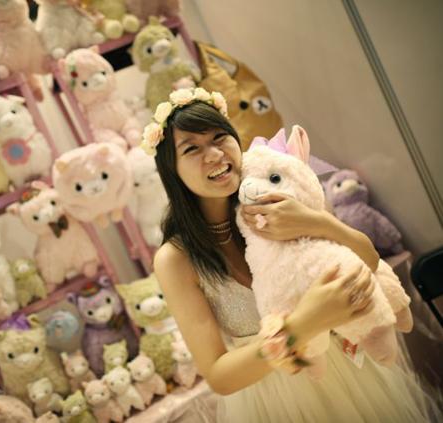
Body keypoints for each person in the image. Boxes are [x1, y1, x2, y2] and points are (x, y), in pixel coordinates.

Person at [146, 88, 440, 422]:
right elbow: (218, 376)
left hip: (352, 373)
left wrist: (318, 222)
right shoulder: (176, 259)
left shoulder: (273, 190)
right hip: (277, 399)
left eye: (218, 137)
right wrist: (305, 323)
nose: (213, 154)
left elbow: (369, 262)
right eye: (192, 148)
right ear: (172, 170)